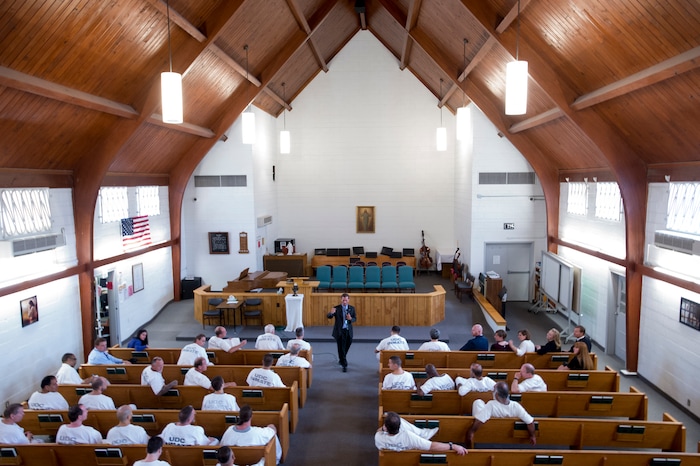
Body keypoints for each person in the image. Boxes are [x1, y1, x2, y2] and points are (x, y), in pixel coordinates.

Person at [467, 381, 536, 446]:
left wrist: (471, 431)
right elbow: (530, 422)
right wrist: (532, 436)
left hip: (490, 432)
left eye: (493, 390)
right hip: (508, 435)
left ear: (496, 394)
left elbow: (479, 420)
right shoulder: (516, 406)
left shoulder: (491, 405)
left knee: (478, 402)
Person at [375, 411, 467, 455]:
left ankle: (422, 433)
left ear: (386, 428)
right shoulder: (408, 436)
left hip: (391, 461)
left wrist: (384, 429)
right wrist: (452, 446)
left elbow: (378, 432)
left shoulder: (378, 437)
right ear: (399, 427)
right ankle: (422, 433)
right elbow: (432, 446)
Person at [327, 293, 356, 372]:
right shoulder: (337, 308)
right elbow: (329, 316)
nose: (345, 302)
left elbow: (354, 319)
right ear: (341, 300)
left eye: (346, 300)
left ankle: (342, 358)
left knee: (347, 345)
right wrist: (331, 313)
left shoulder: (352, 308)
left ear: (348, 300)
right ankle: (344, 364)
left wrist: (350, 319)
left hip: (348, 330)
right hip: (339, 331)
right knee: (341, 348)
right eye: (343, 300)